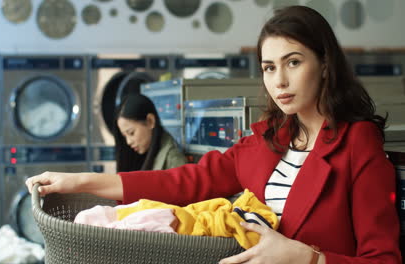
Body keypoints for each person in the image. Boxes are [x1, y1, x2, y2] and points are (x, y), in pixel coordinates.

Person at [26, 5, 402, 263]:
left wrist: (309, 258)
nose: (280, 81)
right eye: (269, 68)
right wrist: (80, 182)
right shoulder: (267, 141)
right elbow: (181, 182)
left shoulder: (357, 146)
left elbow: (384, 259)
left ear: (324, 65)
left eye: (294, 62)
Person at [112, 93, 187, 172]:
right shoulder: (139, 156)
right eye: (124, 136)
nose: (128, 142)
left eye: (131, 133)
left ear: (150, 121)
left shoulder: (174, 160)